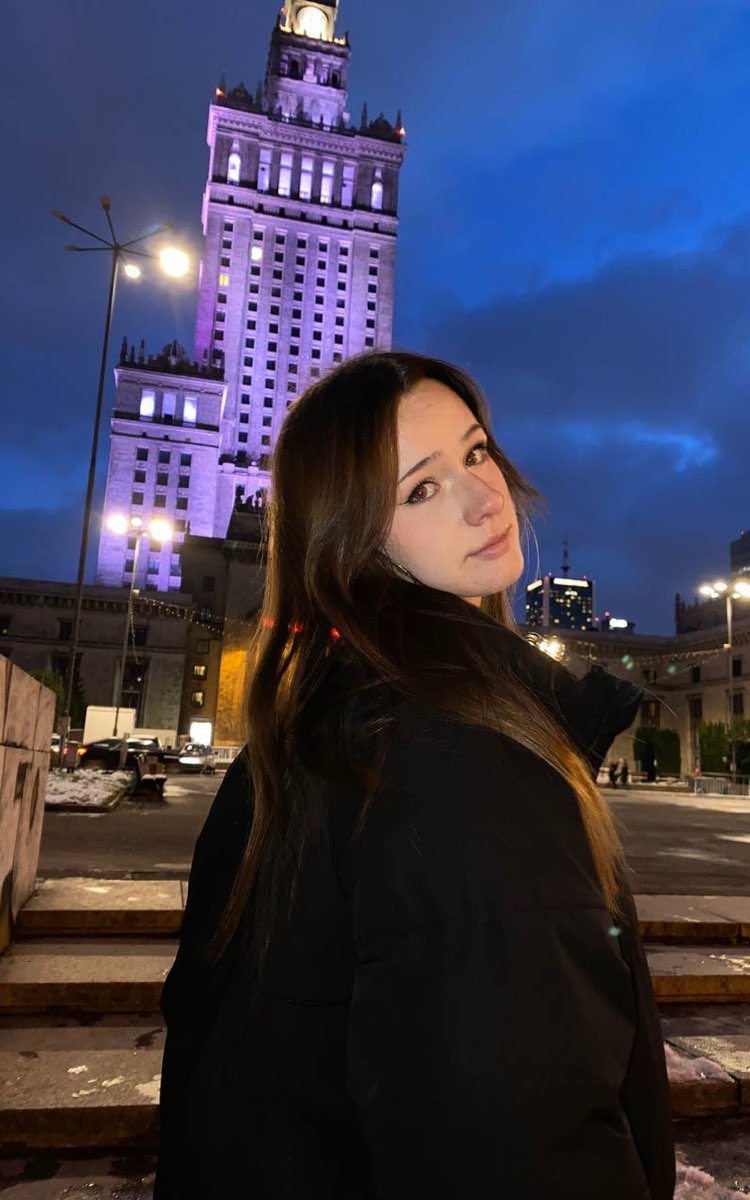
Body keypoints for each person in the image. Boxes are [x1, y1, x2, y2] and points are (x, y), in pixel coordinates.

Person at [155, 351, 675, 1199]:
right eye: (422, 489)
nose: (486, 497)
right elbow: (517, 1144)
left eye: (476, 452)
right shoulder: (459, 764)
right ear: (352, 538)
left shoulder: (312, 734)